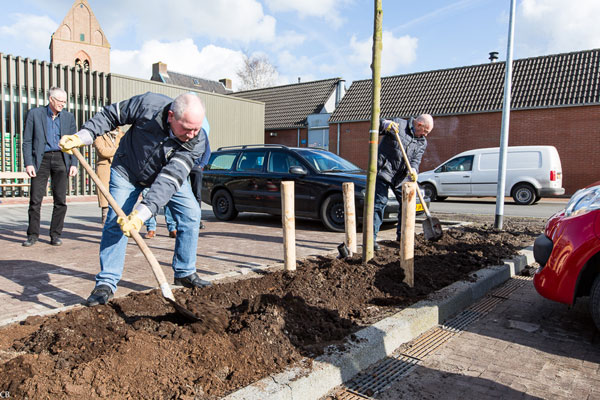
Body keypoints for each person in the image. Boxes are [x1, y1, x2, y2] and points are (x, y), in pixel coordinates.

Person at [59, 92, 209, 306]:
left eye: (197, 127)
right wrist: (83, 136)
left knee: (191, 214)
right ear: (170, 116)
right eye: (187, 128)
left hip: (165, 174)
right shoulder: (147, 105)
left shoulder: (197, 139)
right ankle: (106, 283)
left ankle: (185, 271)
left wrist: (142, 214)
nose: (193, 134)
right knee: (114, 222)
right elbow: (111, 116)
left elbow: (171, 178)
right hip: (127, 170)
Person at [22, 87, 78, 247]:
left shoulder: (68, 117)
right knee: (35, 200)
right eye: (60, 101)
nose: (63, 104)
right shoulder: (35, 114)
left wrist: (73, 163)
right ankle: (32, 235)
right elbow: (27, 141)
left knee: (60, 200)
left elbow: (74, 142)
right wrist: (28, 163)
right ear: (51, 100)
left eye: (65, 101)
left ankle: (55, 234)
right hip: (41, 160)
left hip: (61, 159)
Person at [373, 114, 433, 251]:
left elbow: (416, 160)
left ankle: (402, 237)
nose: (426, 135)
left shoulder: (422, 141)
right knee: (379, 204)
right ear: (419, 125)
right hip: (384, 171)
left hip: (401, 177)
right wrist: (384, 124)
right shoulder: (398, 124)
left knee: (407, 206)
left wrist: (414, 169)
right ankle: (371, 239)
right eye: (425, 131)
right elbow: (375, 126)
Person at [93, 127, 125, 224]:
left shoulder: (122, 134)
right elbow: (102, 151)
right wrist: (118, 150)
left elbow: (126, 149)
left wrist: (112, 151)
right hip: (104, 167)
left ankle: (119, 219)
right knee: (104, 194)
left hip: (120, 166)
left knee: (119, 194)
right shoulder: (99, 135)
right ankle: (105, 219)